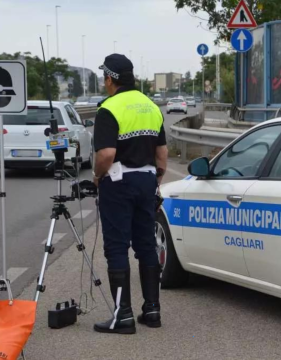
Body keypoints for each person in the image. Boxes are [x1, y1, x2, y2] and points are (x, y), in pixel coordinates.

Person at [92, 53, 168, 334]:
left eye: (104, 77)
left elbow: (107, 154)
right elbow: (162, 155)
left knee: (116, 247)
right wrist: (154, 179)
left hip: (118, 182)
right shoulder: (151, 106)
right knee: (146, 244)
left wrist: (98, 176)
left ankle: (122, 315)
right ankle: (152, 310)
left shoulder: (109, 109)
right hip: (147, 181)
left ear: (110, 79)